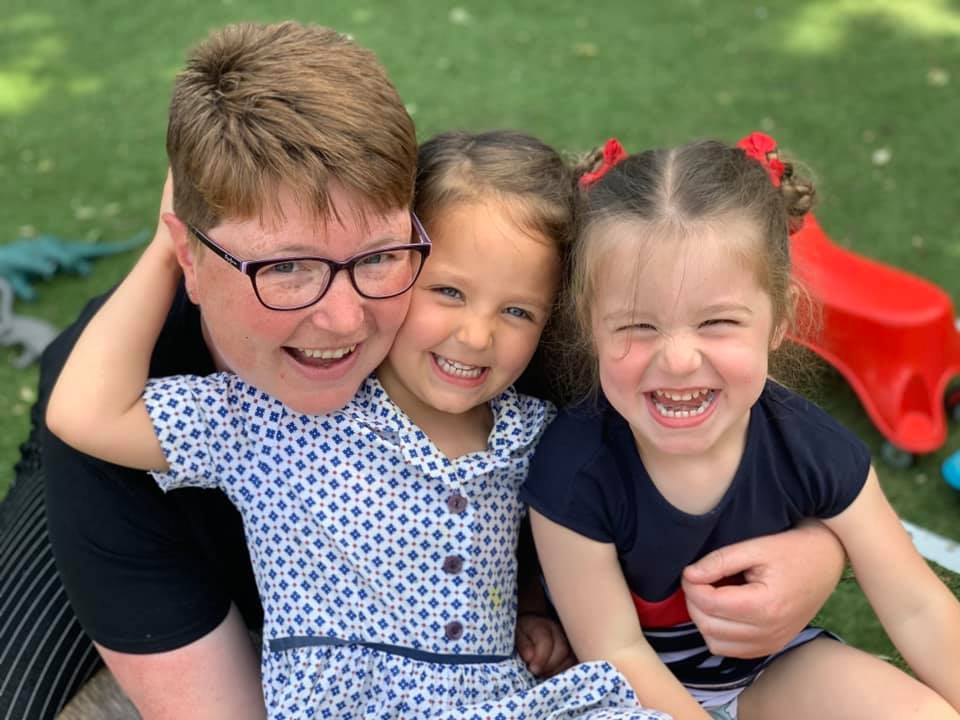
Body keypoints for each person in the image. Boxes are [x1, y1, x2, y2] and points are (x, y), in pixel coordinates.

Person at [0, 20, 845, 720]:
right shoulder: (141, 383)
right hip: (184, 545)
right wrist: (164, 246)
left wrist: (818, 550)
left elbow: (690, 409)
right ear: (192, 252)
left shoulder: (507, 335)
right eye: (286, 267)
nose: (340, 317)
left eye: (378, 256)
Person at [48, 120, 677, 719]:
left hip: (498, 698)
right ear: (392, 270)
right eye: (449, 293)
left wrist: (532, 611)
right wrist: (173, 247)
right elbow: (86, 413)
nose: (477, 335)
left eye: (518, 311)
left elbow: (557, 544)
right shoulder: (275, 418)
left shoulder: (532, 432)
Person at [522, 133, 960, 720]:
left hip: (771, 670)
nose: (678, 359)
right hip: (618, 692)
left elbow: (917, 608)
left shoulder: (811, 445)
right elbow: (616, 654)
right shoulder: (571, 468)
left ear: (779, 320)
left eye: (718, 321)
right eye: (637, 326)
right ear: (590, 326)